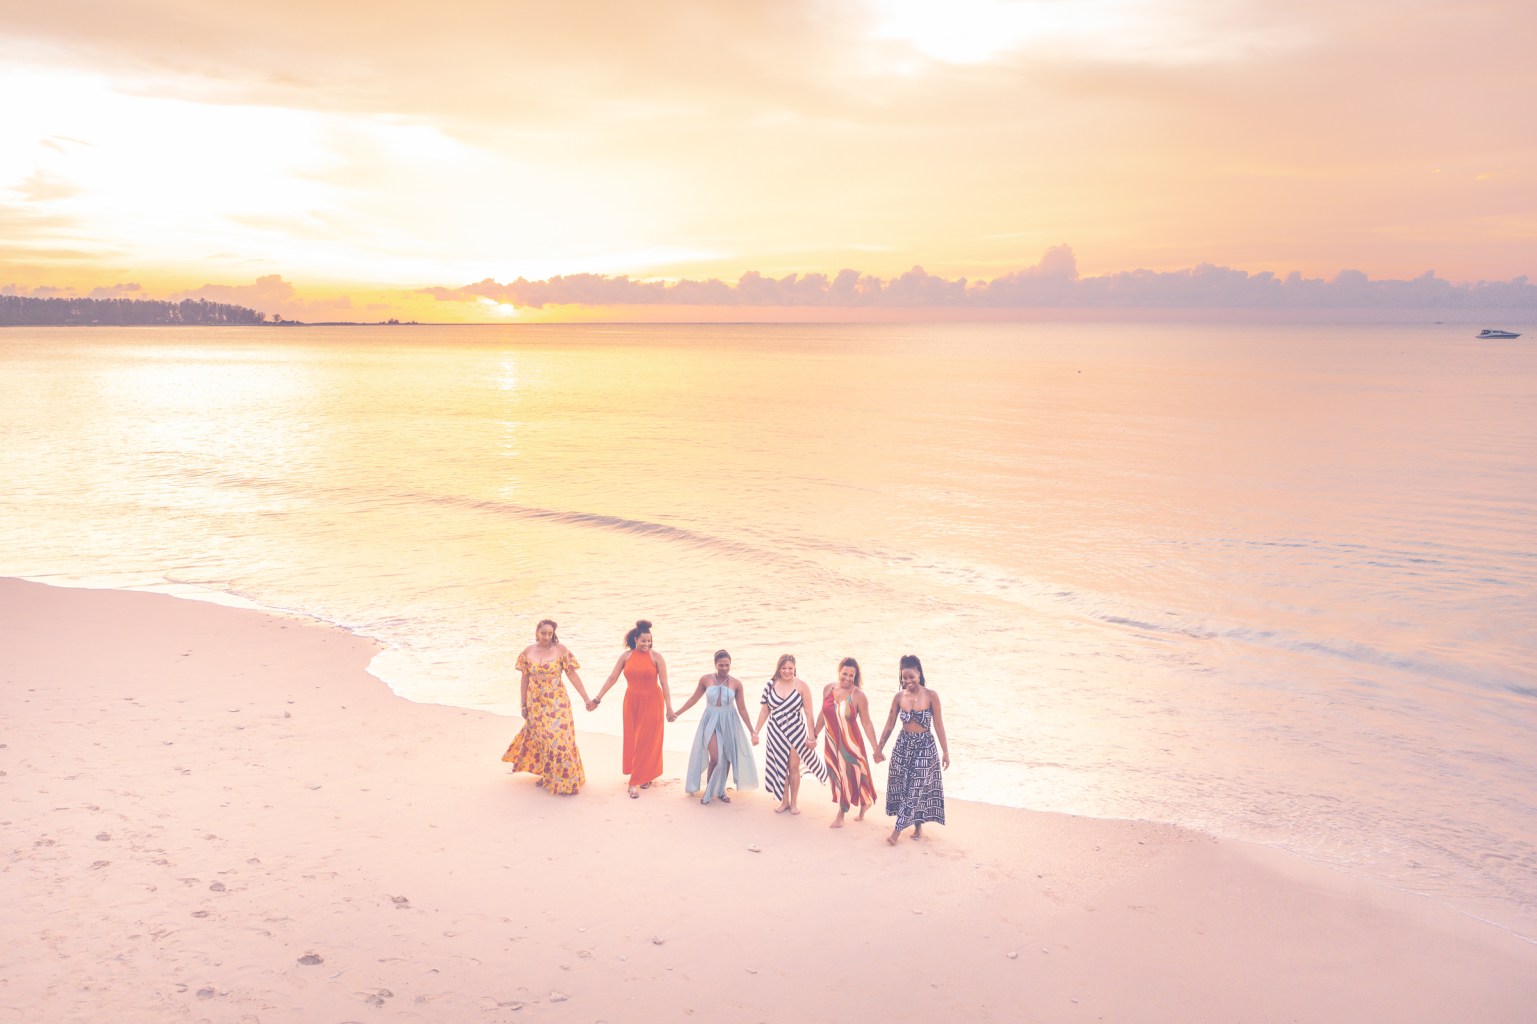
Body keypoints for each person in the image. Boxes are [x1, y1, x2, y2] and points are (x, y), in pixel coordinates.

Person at [500, 618, 595, 795]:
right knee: (543, 740)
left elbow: (572, 675)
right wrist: (523, 704)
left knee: (558, 740)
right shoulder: (527, 652)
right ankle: (548, 774)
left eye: (550, 634)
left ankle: (568, 781)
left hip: (557, 702)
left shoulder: (561, 650)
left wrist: (586, 699)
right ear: (537, 632)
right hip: (535, 702)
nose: (546, 637)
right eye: (543, 633)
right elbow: (524, 679)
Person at [593, 619, 673, 798]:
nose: (646, 644)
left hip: (652, 701)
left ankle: (634, 782)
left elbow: (665, 683)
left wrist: (669, 708)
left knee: (647, 740)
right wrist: (598, 698)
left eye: (649, 641)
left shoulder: (657, 657)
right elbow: (612, 678)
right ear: (635, 639)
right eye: (643, 641)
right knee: (634, 739)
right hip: (631, 702)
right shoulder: (626, 657)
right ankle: (642, 775)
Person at [875, 654, 949, 844]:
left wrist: (946, 751)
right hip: (903, 745)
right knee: (905, 787)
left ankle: (896, 833)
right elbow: (890, 723)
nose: (907, 681)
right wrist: (879, 748)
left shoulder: (931, 695)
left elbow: (939, 725)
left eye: (911, 677)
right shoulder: (899, 697)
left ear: (919, 673)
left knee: (916, 786)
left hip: (925, 746)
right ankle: (917, 824)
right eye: (904, 678)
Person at [672, 649, 760, 805]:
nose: (724, 668)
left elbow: (742, 709)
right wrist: (677, 713)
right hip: (711, 720)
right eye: (721, 665)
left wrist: (752, 730)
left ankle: (720, 791)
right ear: (715, 665)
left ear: (730, 664)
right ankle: (708, 790)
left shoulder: (736, 683)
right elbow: (694, 698)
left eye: (727, 665)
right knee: (715, 757)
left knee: (726, 758)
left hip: (730, 720)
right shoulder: (705, 680)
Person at [812, 656, 883, 828]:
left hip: (851, 745)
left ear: (855, 676)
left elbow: (866, 723)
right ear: (839, 671)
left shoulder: (858, 695)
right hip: (831, 742)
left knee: (849, 776)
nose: (847, 678)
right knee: (838, 775)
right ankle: (865, 803)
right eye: (845, 673)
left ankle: (841, 815)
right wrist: (813, 735)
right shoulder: (828, 689)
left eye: (852, 675)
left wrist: (876, 749)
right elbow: (823, 714)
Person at [753, 654, 827, 814]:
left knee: (793, 767)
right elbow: (765, 710)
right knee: (780, 766)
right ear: (779, 669)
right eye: (784, 668)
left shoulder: (802, 686)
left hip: (796, 732)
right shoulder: (770, 685)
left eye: (790, 668)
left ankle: (794, 802)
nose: (787, 671)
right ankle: (784, 801)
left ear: (795, 669)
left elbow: (808, 713)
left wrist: (811, 736)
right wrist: (756, 731)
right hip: (775, 732)